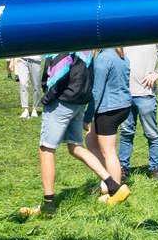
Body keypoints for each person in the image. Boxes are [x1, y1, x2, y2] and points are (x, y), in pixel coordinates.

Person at [21, 51, 127, 216]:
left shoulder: (63, 34)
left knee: (46, 150)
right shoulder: (85, 42)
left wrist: (47, 98)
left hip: (62, 100)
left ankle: (48, 207)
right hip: (79, 101)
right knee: (75, 147)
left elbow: (59, 69)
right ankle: (114, 186)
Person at [119, 42, 158, 182]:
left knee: (151, 134)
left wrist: (157, 72)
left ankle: (155, 169)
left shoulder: (153, 33)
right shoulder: (125, 31)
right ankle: (122, 169)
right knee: (126, 133)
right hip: (125, 94)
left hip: (145, 94)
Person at [84, 48, 134, 198]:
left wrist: (87, 116)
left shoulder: (103, 59)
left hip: (109, 110)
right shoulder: (121, 55)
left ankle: (116, 191)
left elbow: (96, 91)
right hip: (121, 105)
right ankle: (106, 181)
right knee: (91, 141)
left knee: (109, 151)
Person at [14, 53, 44, 119]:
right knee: (23, 83)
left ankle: (35, 109)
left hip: (36, 60)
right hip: (22, 59)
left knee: (36, 85)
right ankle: (25, 109)